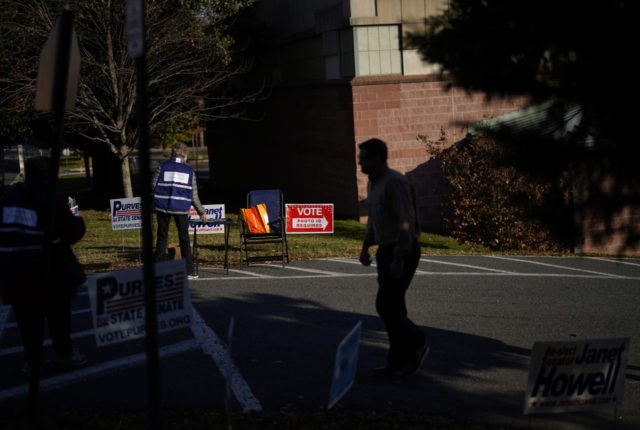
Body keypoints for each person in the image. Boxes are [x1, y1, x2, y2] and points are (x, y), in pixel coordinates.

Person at [0, 156, 88, 375]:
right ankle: (64, 354)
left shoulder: (8, 199)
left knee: (27, 321)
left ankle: (32, 361)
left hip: (13, 271)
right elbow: (74, 230)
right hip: (47, 271)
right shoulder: (49, 200)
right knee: (58, 316)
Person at [358, 138, 428, 377]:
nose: (360, 161)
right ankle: (398, 361)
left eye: (364, 157)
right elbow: (374, 221)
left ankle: (418, 342)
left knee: (385, 304)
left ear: (377, 158)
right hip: (385, 250)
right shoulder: (373, 183)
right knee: (394, 306)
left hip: (402, 250)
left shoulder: (395, 183)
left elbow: (406, 222)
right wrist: (366, 247)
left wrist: (400, 258)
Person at [152, 142, 207, 279]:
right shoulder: (189, 171)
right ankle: (189, 271)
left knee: (162, 238)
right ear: (184, 154)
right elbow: (194, 196)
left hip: (162, 206)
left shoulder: (162, 166)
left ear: (173, 153)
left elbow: (152, 186)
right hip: (180, 208)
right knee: (184, 239)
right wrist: (201, 212)